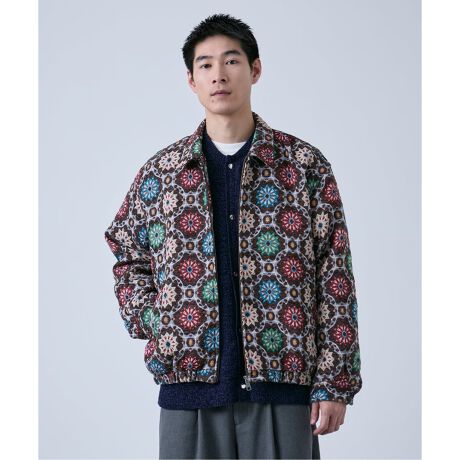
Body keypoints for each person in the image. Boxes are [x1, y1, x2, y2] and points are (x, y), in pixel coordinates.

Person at [104, 13, 362, 460]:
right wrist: (160, 321)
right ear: (191, 80)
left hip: (284, 387)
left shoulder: (303, 166)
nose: (218, 75)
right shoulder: (162, 173)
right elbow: (127, 253)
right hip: (189, 387)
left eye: (231, 61)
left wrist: (335, 381)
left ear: (255, 69)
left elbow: (335, 275)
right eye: (205, 65)